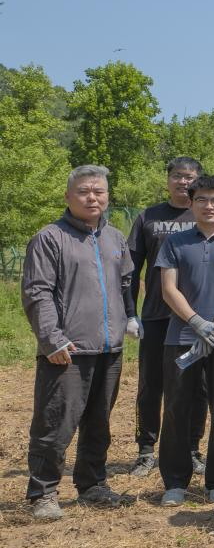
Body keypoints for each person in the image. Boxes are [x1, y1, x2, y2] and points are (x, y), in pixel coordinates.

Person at [23, 165, 135, 520]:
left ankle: (92, 485)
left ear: (107, 196)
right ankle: (43, 492)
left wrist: (128, 319)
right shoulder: (50, 238)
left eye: (99, 191)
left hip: (109, 349)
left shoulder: (115, 238)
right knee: (55, 424)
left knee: (99, 423)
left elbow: (126, 283)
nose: (92, 198)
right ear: (68, 197)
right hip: (66, 351)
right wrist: (52, 340)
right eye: (84, 191)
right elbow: (37, 292)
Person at [128, 157, 214, 477]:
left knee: (198, 386)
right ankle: (146, 449)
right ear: (168, 180)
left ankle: (191, 448)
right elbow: (132, 270)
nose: (183, 181)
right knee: (152, 384)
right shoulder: (149, 217)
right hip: (159, 317)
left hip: (204, 323)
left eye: (189, 177)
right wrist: (130, 312)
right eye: (177, 176)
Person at [155, 175, 214, 507]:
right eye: (202, 200)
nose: (209, 206)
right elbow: (169, 289)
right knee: (177, 408)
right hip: (182, 339)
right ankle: (175, 482)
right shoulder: (175, 243)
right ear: (191, 204)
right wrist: (196, 322)